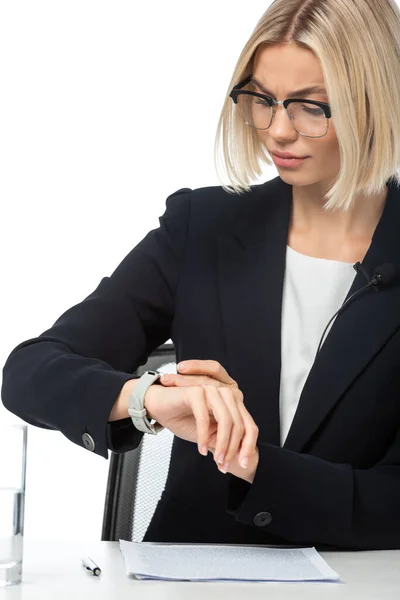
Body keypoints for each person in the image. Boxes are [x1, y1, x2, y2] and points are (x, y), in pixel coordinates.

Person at [2, 0, 400, 550]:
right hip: (187, 579)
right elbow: (31, 370)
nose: (278, 131)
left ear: (375, 104)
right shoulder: (203, 229)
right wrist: (147, 398)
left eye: (311, 106)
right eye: (262, 99)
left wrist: (260, 469)